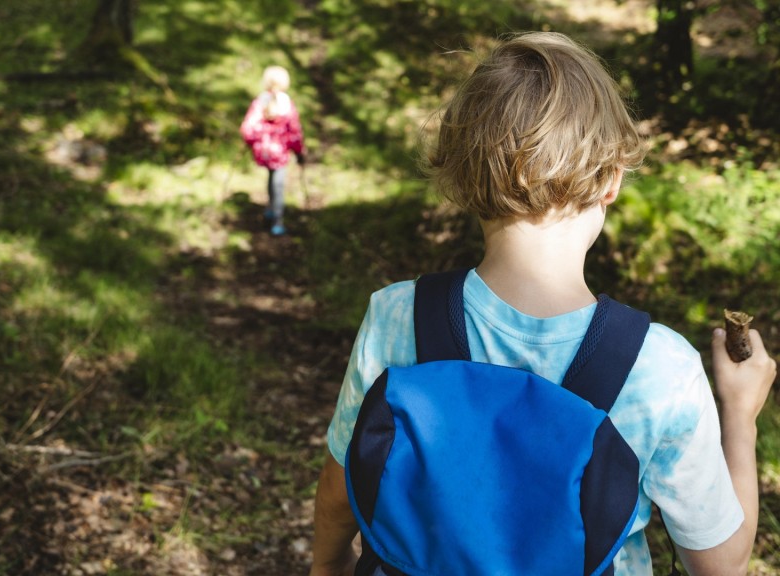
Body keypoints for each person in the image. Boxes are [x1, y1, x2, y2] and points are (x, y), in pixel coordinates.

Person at [308, 31, 777, 576]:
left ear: (462, 173)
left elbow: (342, 485)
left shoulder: (397, 316)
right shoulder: (658, 367)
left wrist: (328, 565)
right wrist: (741, 417)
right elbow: (721, 565)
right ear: (611, 180)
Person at [240, 65, 306, 236]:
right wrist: (298, 152)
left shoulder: (258, 102)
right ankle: (277, 220)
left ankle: (270, 208)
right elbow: (295, 132)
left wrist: (252, 142)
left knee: (271, 177)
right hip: (280, 153)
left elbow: (248, 129)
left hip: (263, 151)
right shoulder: (287, 104)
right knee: (278, 184)